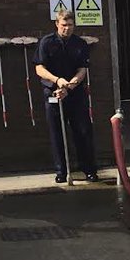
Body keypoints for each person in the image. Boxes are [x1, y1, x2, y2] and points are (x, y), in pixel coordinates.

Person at [34, 12, 98, 183]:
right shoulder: (46, 43)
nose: (67, 28)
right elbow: (39, 69)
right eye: (64, 24)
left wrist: (71, 84)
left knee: (83, 131)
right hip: (53, 93)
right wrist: (57, 81)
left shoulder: (80, 44)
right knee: (57, 133)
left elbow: (82, 69)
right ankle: (61, 171)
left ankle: (89, 169)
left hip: (75, 93)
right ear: (57, 24)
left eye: (70, 25)